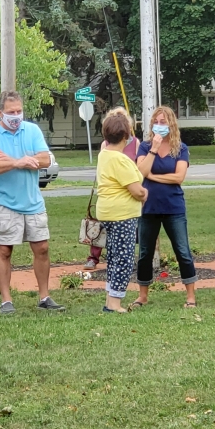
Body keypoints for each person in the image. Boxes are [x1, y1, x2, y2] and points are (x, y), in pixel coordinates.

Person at [0, 90, 65, 314]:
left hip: (32, 201)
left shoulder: (32, 130)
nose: (16, 115)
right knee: (4, 250)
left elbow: (45, 159)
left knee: (42, 248)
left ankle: (44, 296)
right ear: (0, 112)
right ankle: (6, 300)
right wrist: (18, 162)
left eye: (19, 111)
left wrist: (15, 160)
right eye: (11, 112)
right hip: (4, 203)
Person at [131, 105, 197, 309]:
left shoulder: (181, 148)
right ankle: (142, 295)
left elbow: (179, 177)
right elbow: (141, 172)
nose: (160, 126)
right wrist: (153, 149)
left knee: (183, 251)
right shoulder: (144, 147)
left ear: (171, 124)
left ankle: (191, 296)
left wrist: (153, 176)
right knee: (145, 253)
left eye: (163, 122)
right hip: (148, 208)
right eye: (156, 122)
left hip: (174, 207)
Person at [95, 111, 148, 313]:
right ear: (126, 136)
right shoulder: (121, 159)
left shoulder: (104, 155)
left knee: (114, 257)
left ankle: (110, 300)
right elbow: (135, 190)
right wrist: (144, 194)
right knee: (124, 258)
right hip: (122, 215)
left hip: (107, 212)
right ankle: (116, 302)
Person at [84, 107, 141, 271]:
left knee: (125, 237)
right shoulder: (105, 146)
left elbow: (138, 165)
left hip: (127, 195)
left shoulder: (135, 143)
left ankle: (131, 259)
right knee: (103, 230)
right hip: (111, 195)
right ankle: (94, 258)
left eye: (122, 117)